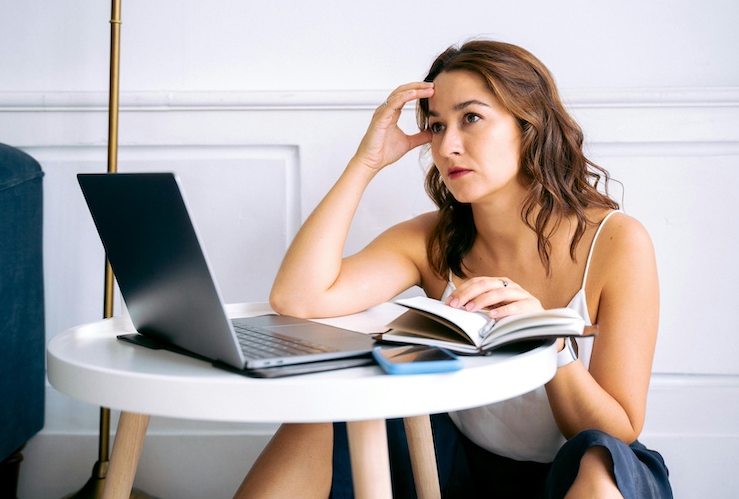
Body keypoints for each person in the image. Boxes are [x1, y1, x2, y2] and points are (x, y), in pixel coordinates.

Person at [233, 40, 672, 498]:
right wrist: (366, 163)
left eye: (471, 118)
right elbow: (298, 298)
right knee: (322, 420)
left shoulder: (618, 241)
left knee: (600, 461)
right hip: (458, 464)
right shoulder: (432, 240)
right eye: (437, 126)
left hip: (574, 473)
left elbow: (618, 428)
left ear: (530, 124)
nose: (448, 145)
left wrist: (552, 341)